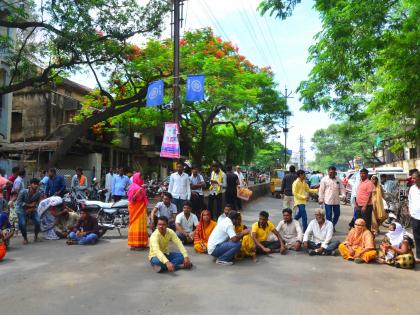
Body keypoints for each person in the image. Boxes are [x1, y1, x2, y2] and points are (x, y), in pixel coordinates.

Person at [15, 178, 42, 244]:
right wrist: (29, 205)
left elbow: (37, 204)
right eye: (34, 184)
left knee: (38, 221)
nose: (36, 185)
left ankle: (36, 236)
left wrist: (31, 208)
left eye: (37, 184)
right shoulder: (23, 192)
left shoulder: (38, 194)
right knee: (22, 223)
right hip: (21, 209)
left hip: (32, 209)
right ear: (30, 184)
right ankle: (25, 238)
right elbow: (19, 203)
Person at [127, 172, 149, 250]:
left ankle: (141, 243)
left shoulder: (139, 186)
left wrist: (142, 189)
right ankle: (135, 244)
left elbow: (143, 197)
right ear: (136, 178)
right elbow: (132, 200)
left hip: (141, 208)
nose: (142, 180)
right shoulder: (133, 187)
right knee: (136, 225)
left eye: (142, 178)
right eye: (141, 178)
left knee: (141, 226)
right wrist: (137, 193)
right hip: (136, 210)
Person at [408, 171, 420, 263]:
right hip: (415, 216)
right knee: (417, 237)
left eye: (414, 178)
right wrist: (411, 212)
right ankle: (419, 256)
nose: (413, 180)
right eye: (412, 178)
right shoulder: (412, 188)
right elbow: (410, 201)